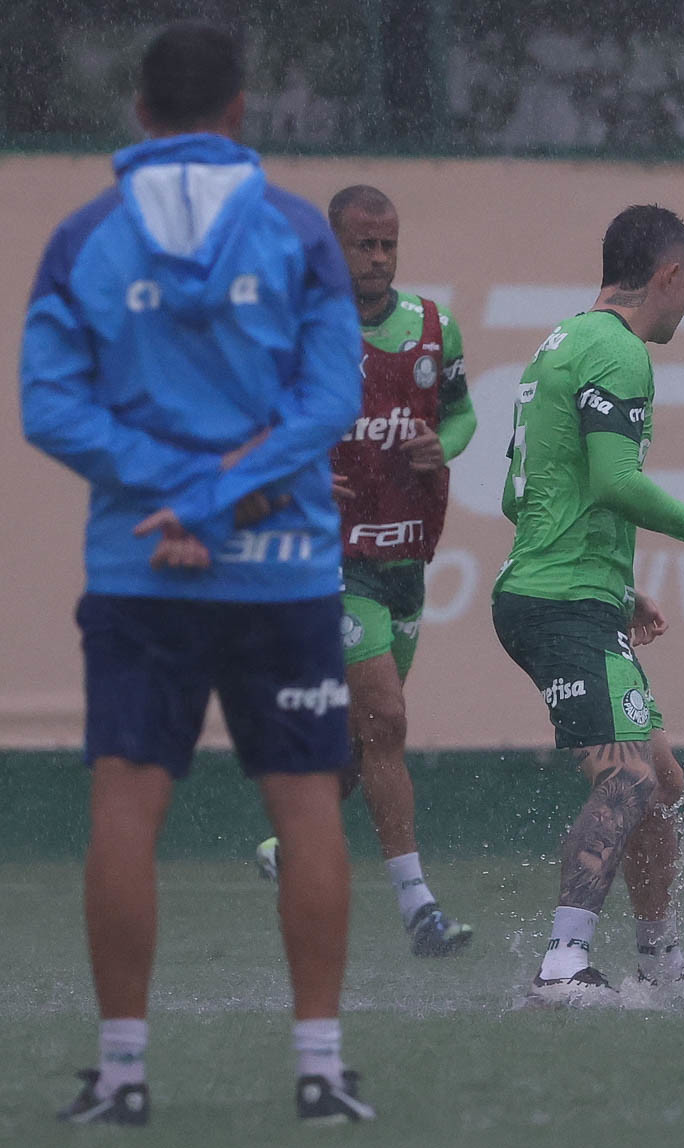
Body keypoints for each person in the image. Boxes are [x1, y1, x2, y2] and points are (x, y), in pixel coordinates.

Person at [20, 22, 374, 1123]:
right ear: (238, 110)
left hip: (140, 566)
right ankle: (319, 1072)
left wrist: (171, 495)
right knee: (309, 807)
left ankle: (122, 1076)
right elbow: (327, 406)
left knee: (126, 810)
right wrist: (222, 494)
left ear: (139, 112)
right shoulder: (294, 233)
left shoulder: (86, 235)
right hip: (284, 573)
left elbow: (49, 406)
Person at [492, 205, 684, 1006]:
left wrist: (615, 579)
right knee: (630, 779)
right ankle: (564, 961)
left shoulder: (560, 343)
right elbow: (612, 481)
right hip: (559, 603)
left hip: (573, 592)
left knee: (661, 778)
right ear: (666, 275)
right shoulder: (620, 351)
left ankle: (659, 956)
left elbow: (517, 492)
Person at [256, 185, 477, 959]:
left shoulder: (433, 328)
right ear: (332, 246)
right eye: (362, 244)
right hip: (331, 562)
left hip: (406, 558)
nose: (378, 258)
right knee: (386, 720)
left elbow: (463, 412)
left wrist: (444, 444)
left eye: (388, 244)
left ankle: (288, 845)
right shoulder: (299, 328)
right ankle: (419, 906)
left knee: (364, 742)